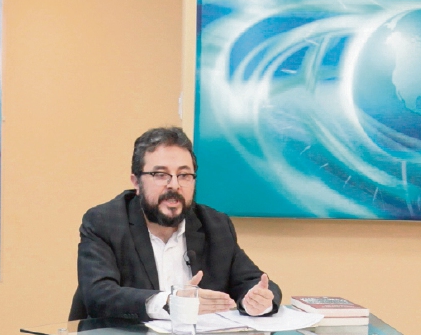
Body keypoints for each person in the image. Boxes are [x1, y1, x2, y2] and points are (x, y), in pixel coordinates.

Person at [74, 126, 280, 321]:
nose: (174, 185)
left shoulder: (215, 225)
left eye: (184, 175)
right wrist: (170, 303)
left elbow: (254, 282)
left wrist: (257, 300)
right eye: (160, 175)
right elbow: (98, 295)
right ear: (136, 182)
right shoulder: (105, 222)